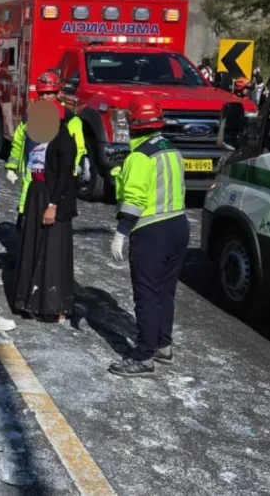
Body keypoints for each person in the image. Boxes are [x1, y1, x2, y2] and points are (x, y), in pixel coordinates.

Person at [108, 95, 188, 378]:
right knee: (165, 291)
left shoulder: (139, 156)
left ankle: (143, 357)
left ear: (133, 124)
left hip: (151, 230)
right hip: (178, 225)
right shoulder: (170, 149)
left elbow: (135, 197)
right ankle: (163, 345)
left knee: (146, 295)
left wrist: (121, 232)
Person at [12, 93, 78, 323]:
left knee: (52, 253)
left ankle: (52, 306)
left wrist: (53, 205)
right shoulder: (41, 139)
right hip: (36, 194)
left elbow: (65, 177)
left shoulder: (64, 141)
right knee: (32, 246)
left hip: (51, 198)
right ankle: (29, 301)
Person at [6, 71, 63, 230]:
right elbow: (18, 141)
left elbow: (77, 149)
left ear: (58, 93)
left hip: (52, 180)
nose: (45, 97)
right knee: (25, 226)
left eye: (49, 93)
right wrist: (12, 166)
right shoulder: (30, 118)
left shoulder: (68, 119)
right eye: (42, 93)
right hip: (31, 177)